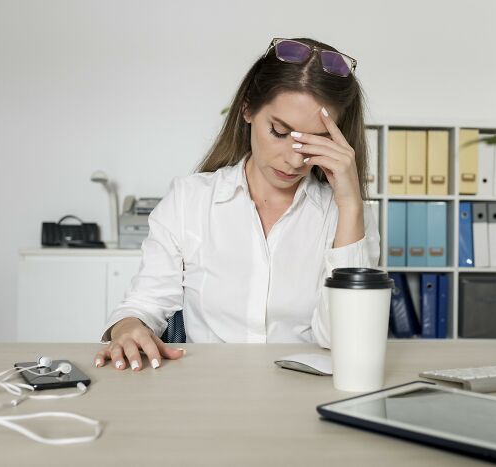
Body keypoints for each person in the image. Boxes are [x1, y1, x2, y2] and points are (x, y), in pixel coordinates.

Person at [94, 37, 379, 372]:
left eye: (314, 141)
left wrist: (350, 205)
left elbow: (347, 340)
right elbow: (145, 302)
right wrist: (129, 327)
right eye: (279, 131)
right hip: (211, 393)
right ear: (247, 109)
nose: (293, 159)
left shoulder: (346, 215)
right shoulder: (191, 200)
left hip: (304, 396)